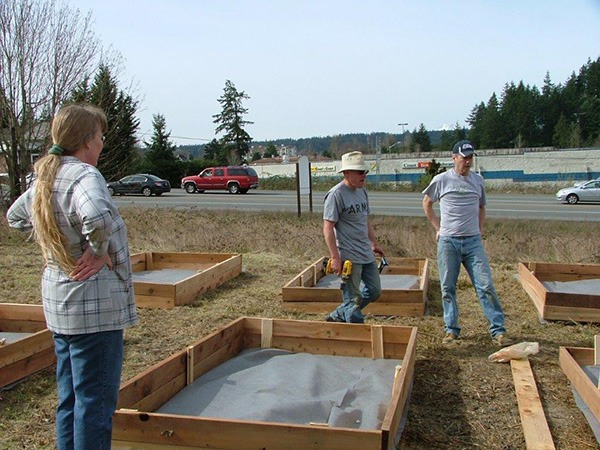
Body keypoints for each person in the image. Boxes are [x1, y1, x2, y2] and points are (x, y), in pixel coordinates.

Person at [6, 104, 138, 450]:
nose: (103, 143)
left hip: (60, 306)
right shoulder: (83, 176)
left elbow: (16, 217)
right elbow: (96, 217)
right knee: (94, 403)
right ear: (86, 141)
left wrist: (55, 244)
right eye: (100, 136)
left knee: (70, 399)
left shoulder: (48, 176)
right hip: (92, 310)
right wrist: (96, 251)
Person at [422, 140, 512, 347]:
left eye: (471, 158)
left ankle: (498, 331)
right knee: (447, 287)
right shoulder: (441, 180)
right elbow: (427, 204)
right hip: (448, 242)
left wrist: (479, 229)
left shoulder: (478, 181)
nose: (468, 162)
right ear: (454, 158)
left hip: (473, 242)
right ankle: (451, 329)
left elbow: (481, 206)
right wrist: (438, 228)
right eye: (464, 158)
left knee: (485, 285)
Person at [323, 151, 385, 323]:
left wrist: (374, 243)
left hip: (366, 252)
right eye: (359, 172)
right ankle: (356, 339)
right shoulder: (336, 195)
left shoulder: (362, 192)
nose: (363, 175)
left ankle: (338, 314)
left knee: (374, 291)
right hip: (349, 255)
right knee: (353, 300)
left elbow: (365, 220)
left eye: (364, 172)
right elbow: (328, 227)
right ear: (346, 173)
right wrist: (335, 257)